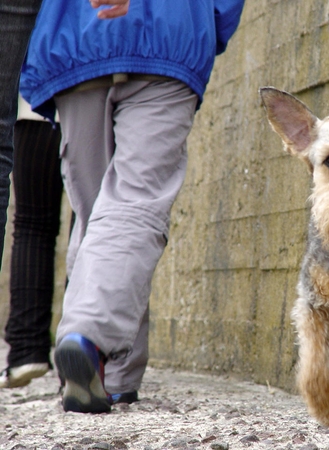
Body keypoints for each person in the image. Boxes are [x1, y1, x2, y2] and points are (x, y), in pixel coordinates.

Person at [20, 0, 245, 413]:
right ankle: (89, 337)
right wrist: (208, 22)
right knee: (134, 206)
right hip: (168, 33)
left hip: (73, 38)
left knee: (95, 218)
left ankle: (110, 375)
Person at [0, 0, 129, 272]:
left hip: (73, 63)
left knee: (79, 213)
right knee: (91, 211)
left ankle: (82, 313)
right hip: (74, 62)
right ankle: (82, 313)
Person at [0, 97, 62, 388]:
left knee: (32, 223)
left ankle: (27, 349)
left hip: (35, 100)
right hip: (93, 93)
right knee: (92, 220)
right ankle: (82, 346)